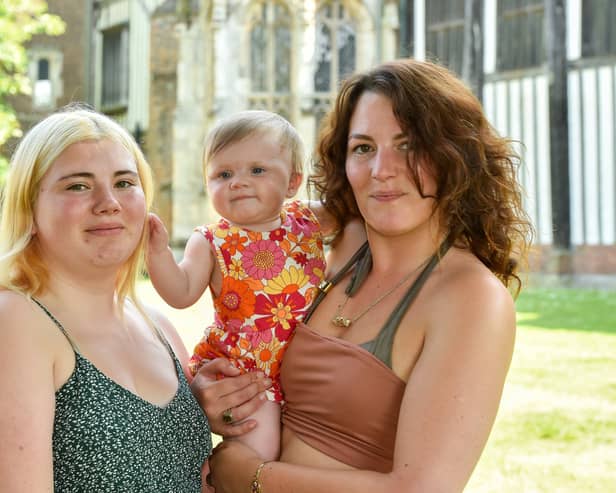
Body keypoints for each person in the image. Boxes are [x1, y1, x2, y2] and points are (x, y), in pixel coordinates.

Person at [193, 58, 533, 492]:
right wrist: (216, 395)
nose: (381, 170)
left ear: (455, 157)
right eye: (363, 148)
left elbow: (421, 489)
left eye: (408, 145)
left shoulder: (470, 297)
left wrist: (252, 477)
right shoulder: (331, 252)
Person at [0, 106, 212, 492]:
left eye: (125, 183)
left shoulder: (158, 325)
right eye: (78, 186)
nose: (108, 202)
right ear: (29, 211)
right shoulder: (16, 321)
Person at [147, 110, 358, 461]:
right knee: (257, 453)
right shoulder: (213, 241)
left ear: (292, 183)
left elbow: (355, 204)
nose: (238, 182)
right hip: (244, 375)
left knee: (308, 451)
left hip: (304, 367)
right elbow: (181, 293)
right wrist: (158, 255)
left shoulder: (307, 220)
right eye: (223, 174)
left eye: (257, 171)